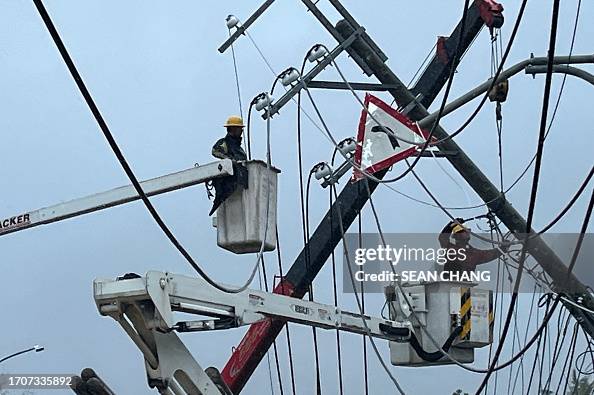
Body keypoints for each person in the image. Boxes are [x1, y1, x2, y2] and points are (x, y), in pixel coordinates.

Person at [209, 115, 249, 215]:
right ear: (233, 129)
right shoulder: (225, 143)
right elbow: (215, 151)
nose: (241, 131)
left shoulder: (240, 149)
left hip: (240, 180)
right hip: (229, 180)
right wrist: (229, 160)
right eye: (240, 129)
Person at [438, 218, 508, 274]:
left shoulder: (474, 253)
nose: (467, 233)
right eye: (464, 231)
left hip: (465, 287)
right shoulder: (450, 249)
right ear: (457, 235)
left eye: (467, 231)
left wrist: (503, 248)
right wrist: (451, 225)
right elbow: (442, 238)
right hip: (450, 286)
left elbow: (489, 255)